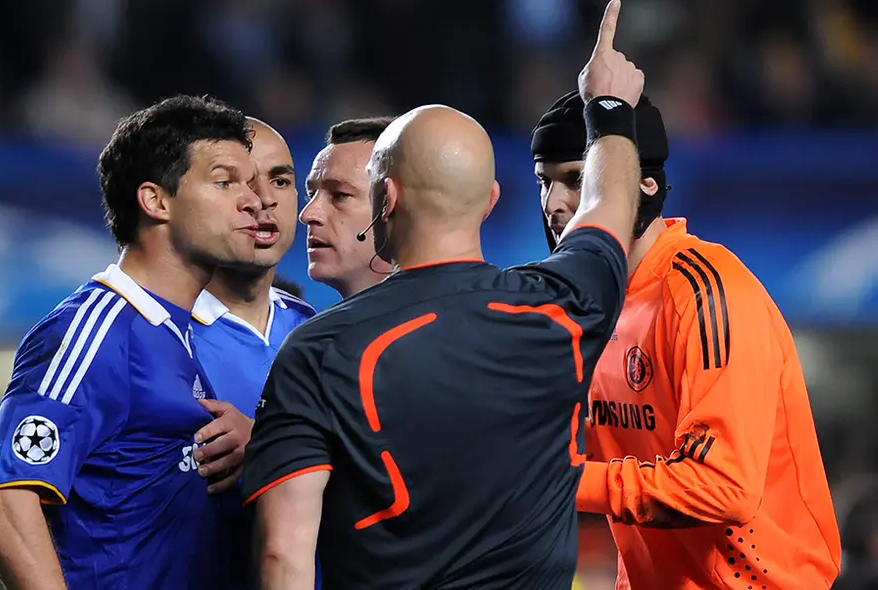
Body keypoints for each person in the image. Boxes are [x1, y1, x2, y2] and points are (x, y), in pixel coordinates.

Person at [241, 3, 645, 587]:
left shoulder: (317, 352)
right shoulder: (563, 307)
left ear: (387, 201)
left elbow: (283, 554)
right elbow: (609, 207)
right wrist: (608, 107)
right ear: (489, 202)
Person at [531, 90, 842, 587]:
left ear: (644, 186)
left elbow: (723, 486)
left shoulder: (706, 290)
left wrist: (558, 482)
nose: (553, 204)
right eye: (543, 182)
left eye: (576, 181)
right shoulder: (592, 305)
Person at [0, 95, 262, 589]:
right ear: (156, 201)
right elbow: (2, 503)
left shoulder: (177, 333)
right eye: (224, 181)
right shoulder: (96, 330)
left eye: (251, 184)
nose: (252, 199)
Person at [189, 117, 316, 590]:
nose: (263, 200)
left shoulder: (318, 334)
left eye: (280, 180)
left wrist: (265, 449)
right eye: (236, 182)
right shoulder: (151, 335)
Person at [300, 116, 396, 299]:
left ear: (392, 204)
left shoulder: (453, 323)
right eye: (311, 195)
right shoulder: (310, 325)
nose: (307, 214)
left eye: (339, 195)